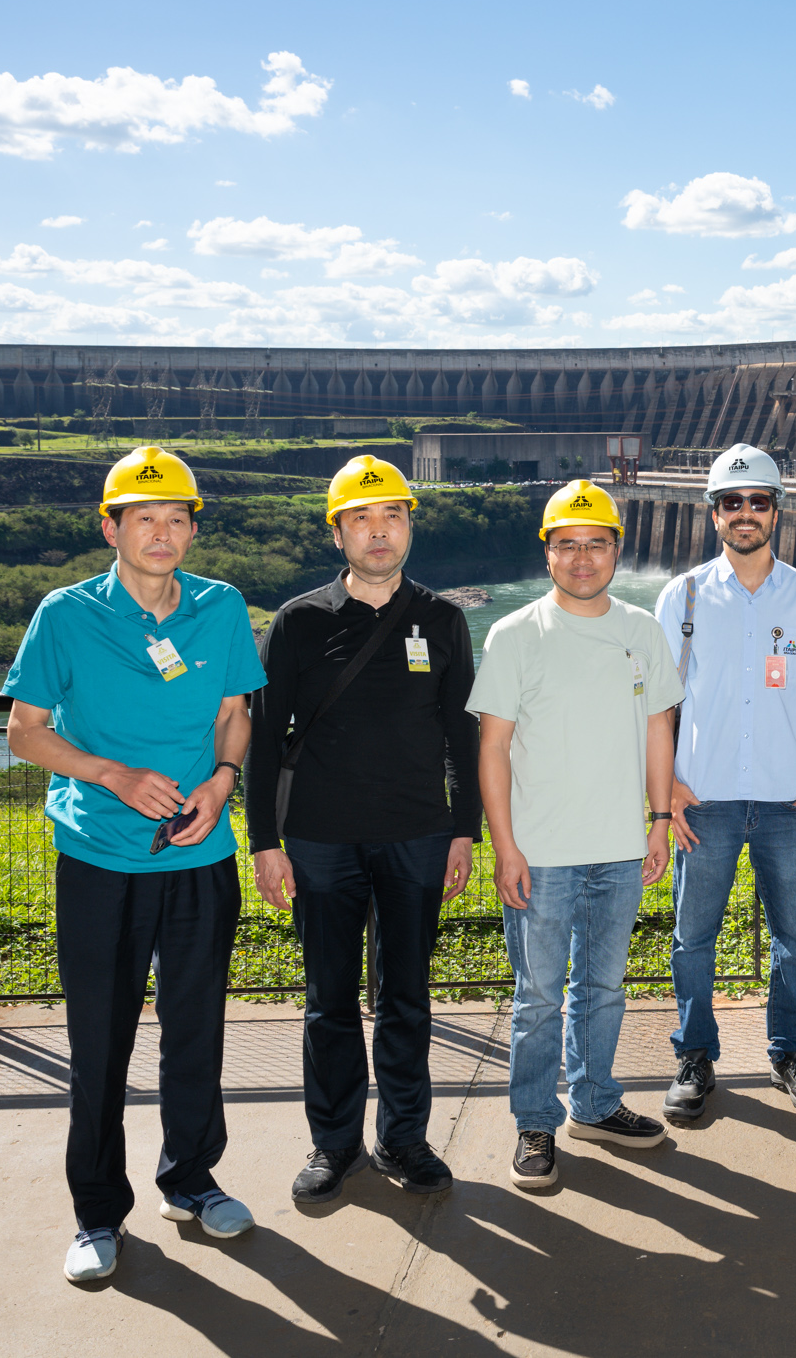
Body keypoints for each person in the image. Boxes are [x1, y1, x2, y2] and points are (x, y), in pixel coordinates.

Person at [3, 446, 265, 1282]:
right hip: (99, 860)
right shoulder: (66, 613)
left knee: (196, 1031)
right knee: (100, 1041)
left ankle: (191, 1180)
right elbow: (25, 728)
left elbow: (233, 712)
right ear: (110, 526)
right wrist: (112, 772)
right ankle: (95, 1213)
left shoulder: (221, 608)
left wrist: (223, 784)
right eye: (143, 517)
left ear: (192, 528)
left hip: (198, 856)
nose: (162, 533)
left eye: (177, 517)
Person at [246, 454, 480, 1204]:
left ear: (410, 524)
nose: (379, 534)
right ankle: (335, 1142)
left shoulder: (443, 619)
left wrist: (463, 830)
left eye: (392, 518)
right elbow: (261, 737)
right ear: (338, 531)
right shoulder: (300, 621)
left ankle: (405, 1139)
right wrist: (263, 842)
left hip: (417, 835)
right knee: (329, 999)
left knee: (408, 996)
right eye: (362, 520)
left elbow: (461, 736)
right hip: (319, 839)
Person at [469, 480, 682, 1190]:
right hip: (541, 853)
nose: (582, 557)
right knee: (537, 997)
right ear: (548, 552)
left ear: (617, 550)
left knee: (604, 986)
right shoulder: (514, 633)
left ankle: (594, 1102)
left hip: (620, 849)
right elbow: (492, 748)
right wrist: (505, 845)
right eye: (568, 544)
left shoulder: (641, 629)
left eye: (596, 543)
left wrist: (657, 821)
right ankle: (535, 1120)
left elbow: (659, 730)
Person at [654, 445, 796, 1122]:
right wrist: (666, 787)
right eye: (732, 502)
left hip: (788, 798)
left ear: (776, 511)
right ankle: (694, 1055)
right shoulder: (679, 595)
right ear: (713, 514)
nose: (745, 513)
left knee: (795, 936)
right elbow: (657, 702)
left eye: (758, 501)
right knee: (692, 936)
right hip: (701, 797)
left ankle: (791, 1052)